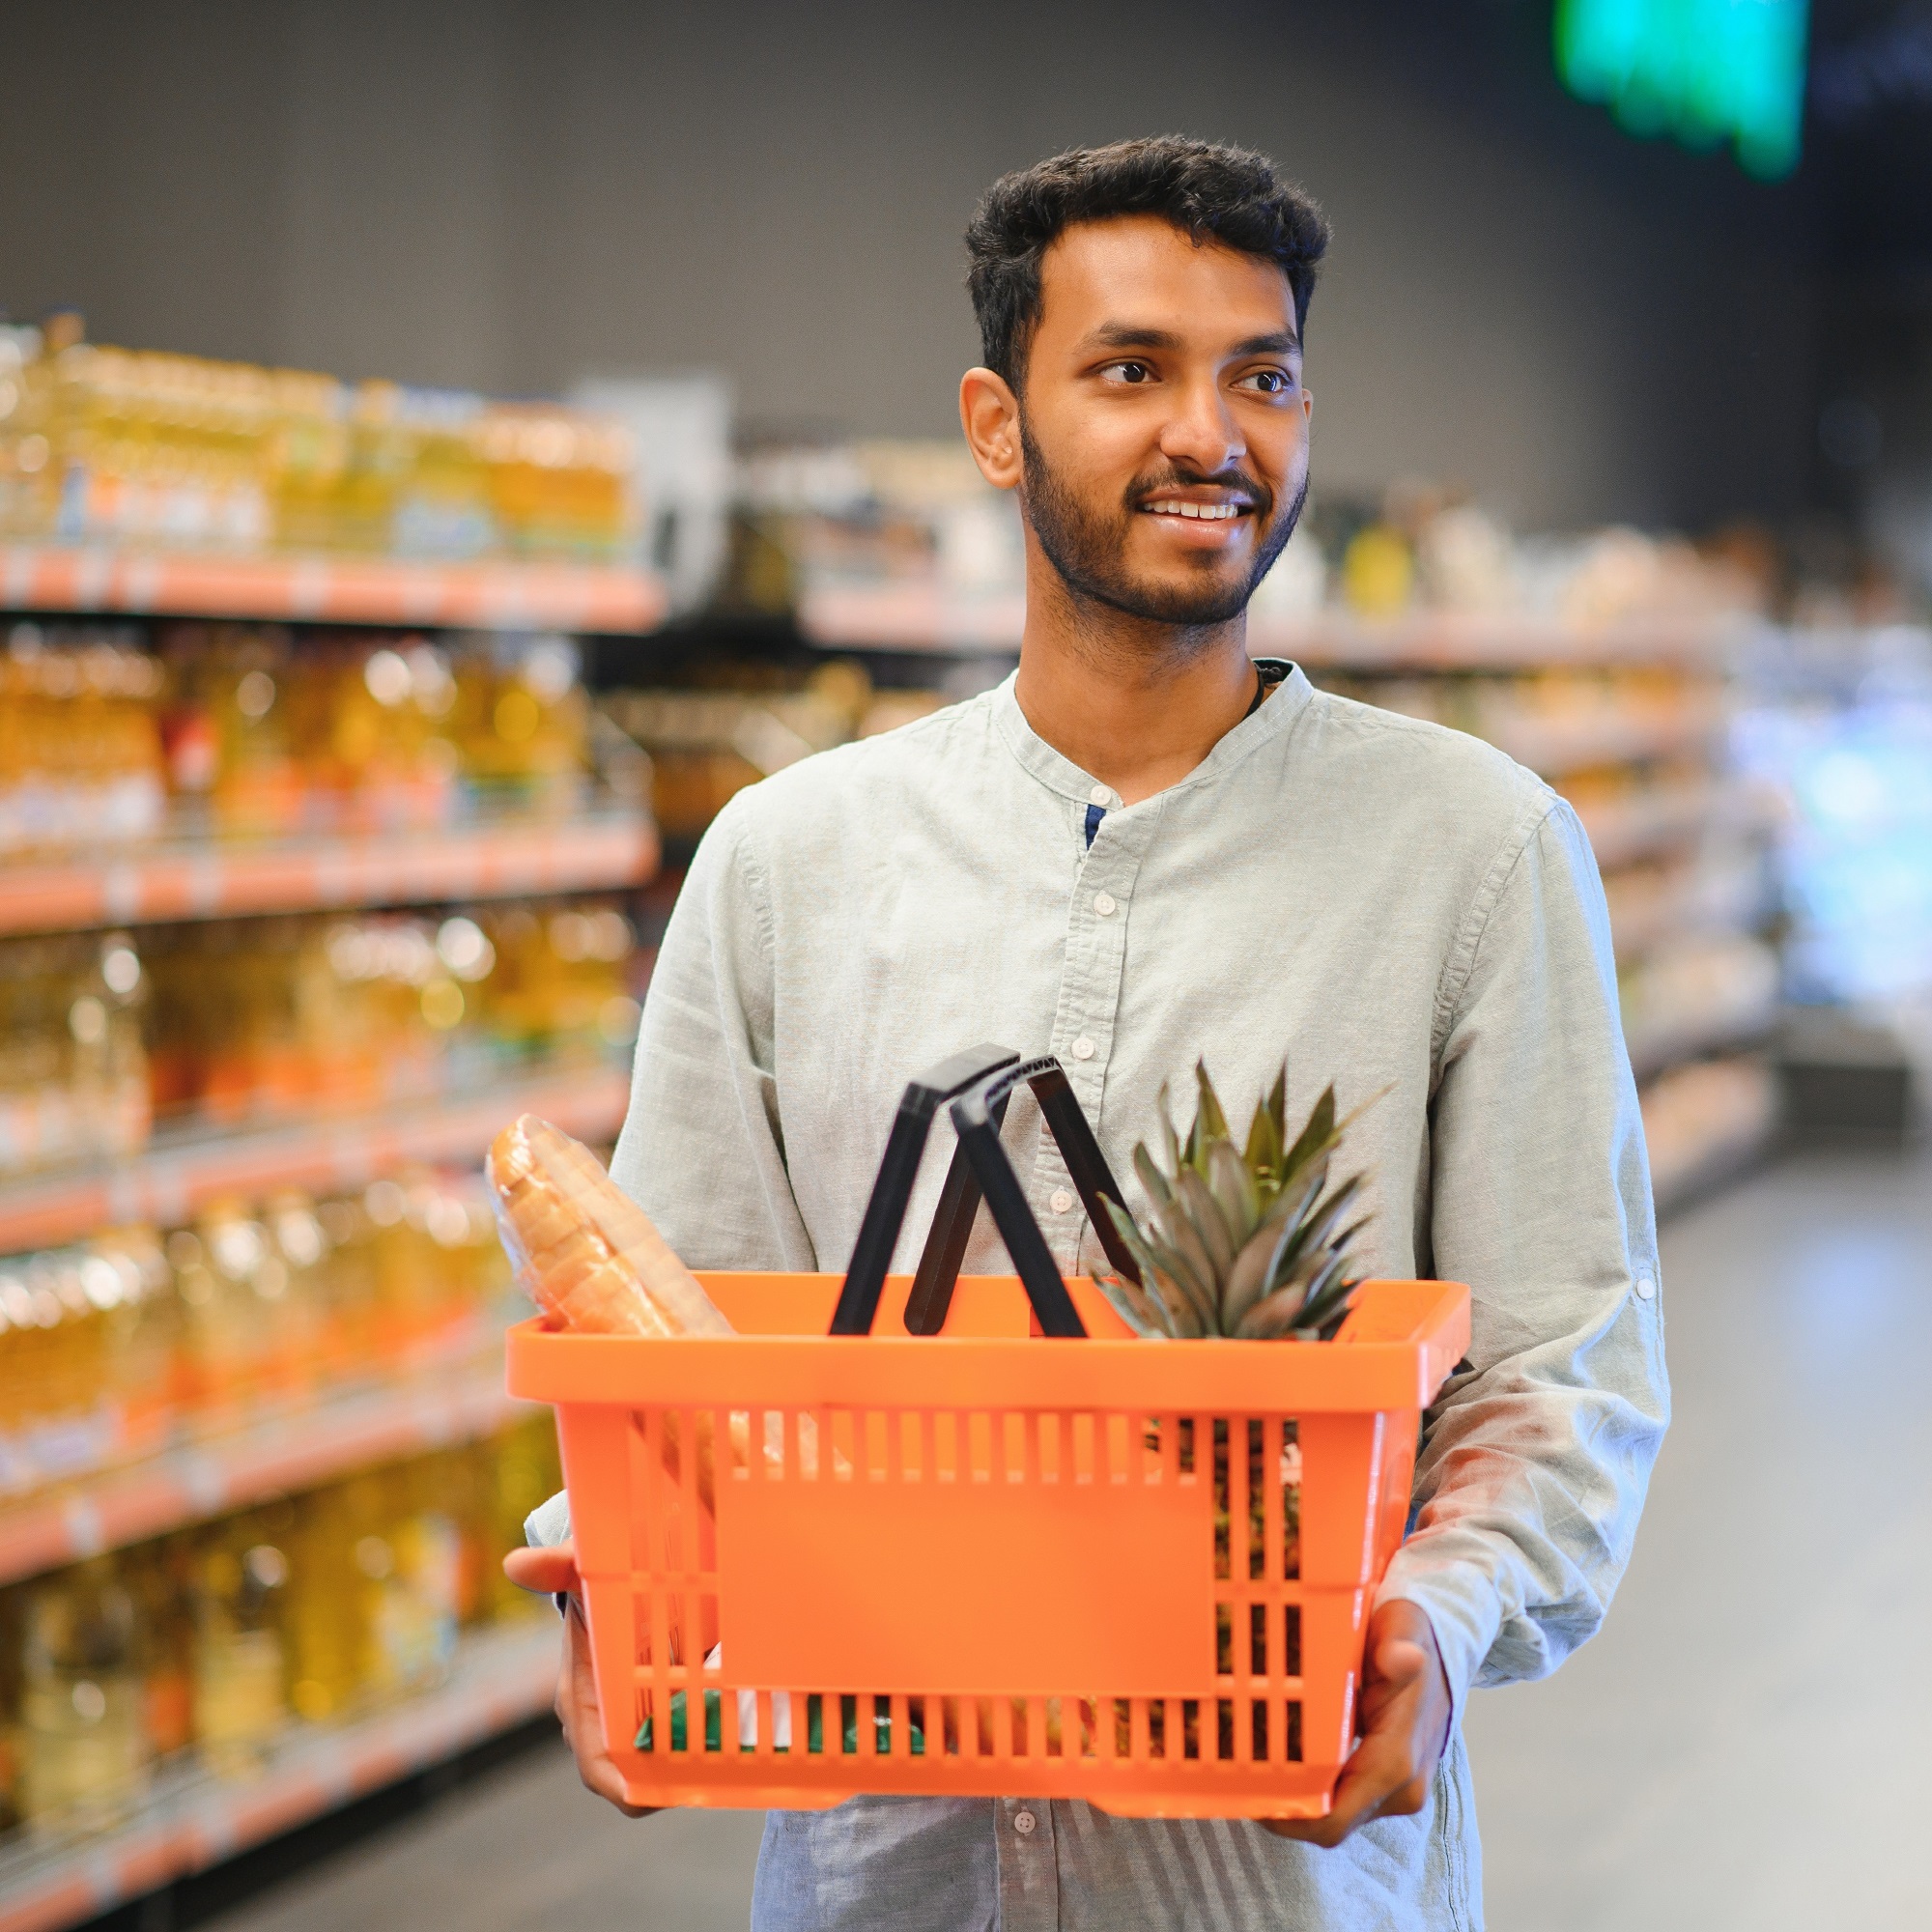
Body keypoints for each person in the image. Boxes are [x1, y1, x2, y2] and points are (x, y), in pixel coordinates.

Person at [506, 135, 1669, 1930]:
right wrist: (609, 1569)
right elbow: (682, 1362)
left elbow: (1561, 1363)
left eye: (1260, 378)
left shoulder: (1475, 853)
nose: (1210, 434)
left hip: (1277, 1883)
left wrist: (1441, 1620)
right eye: (1131, 371)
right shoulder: (788, 863)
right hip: (885, 1876)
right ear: (998, 424)